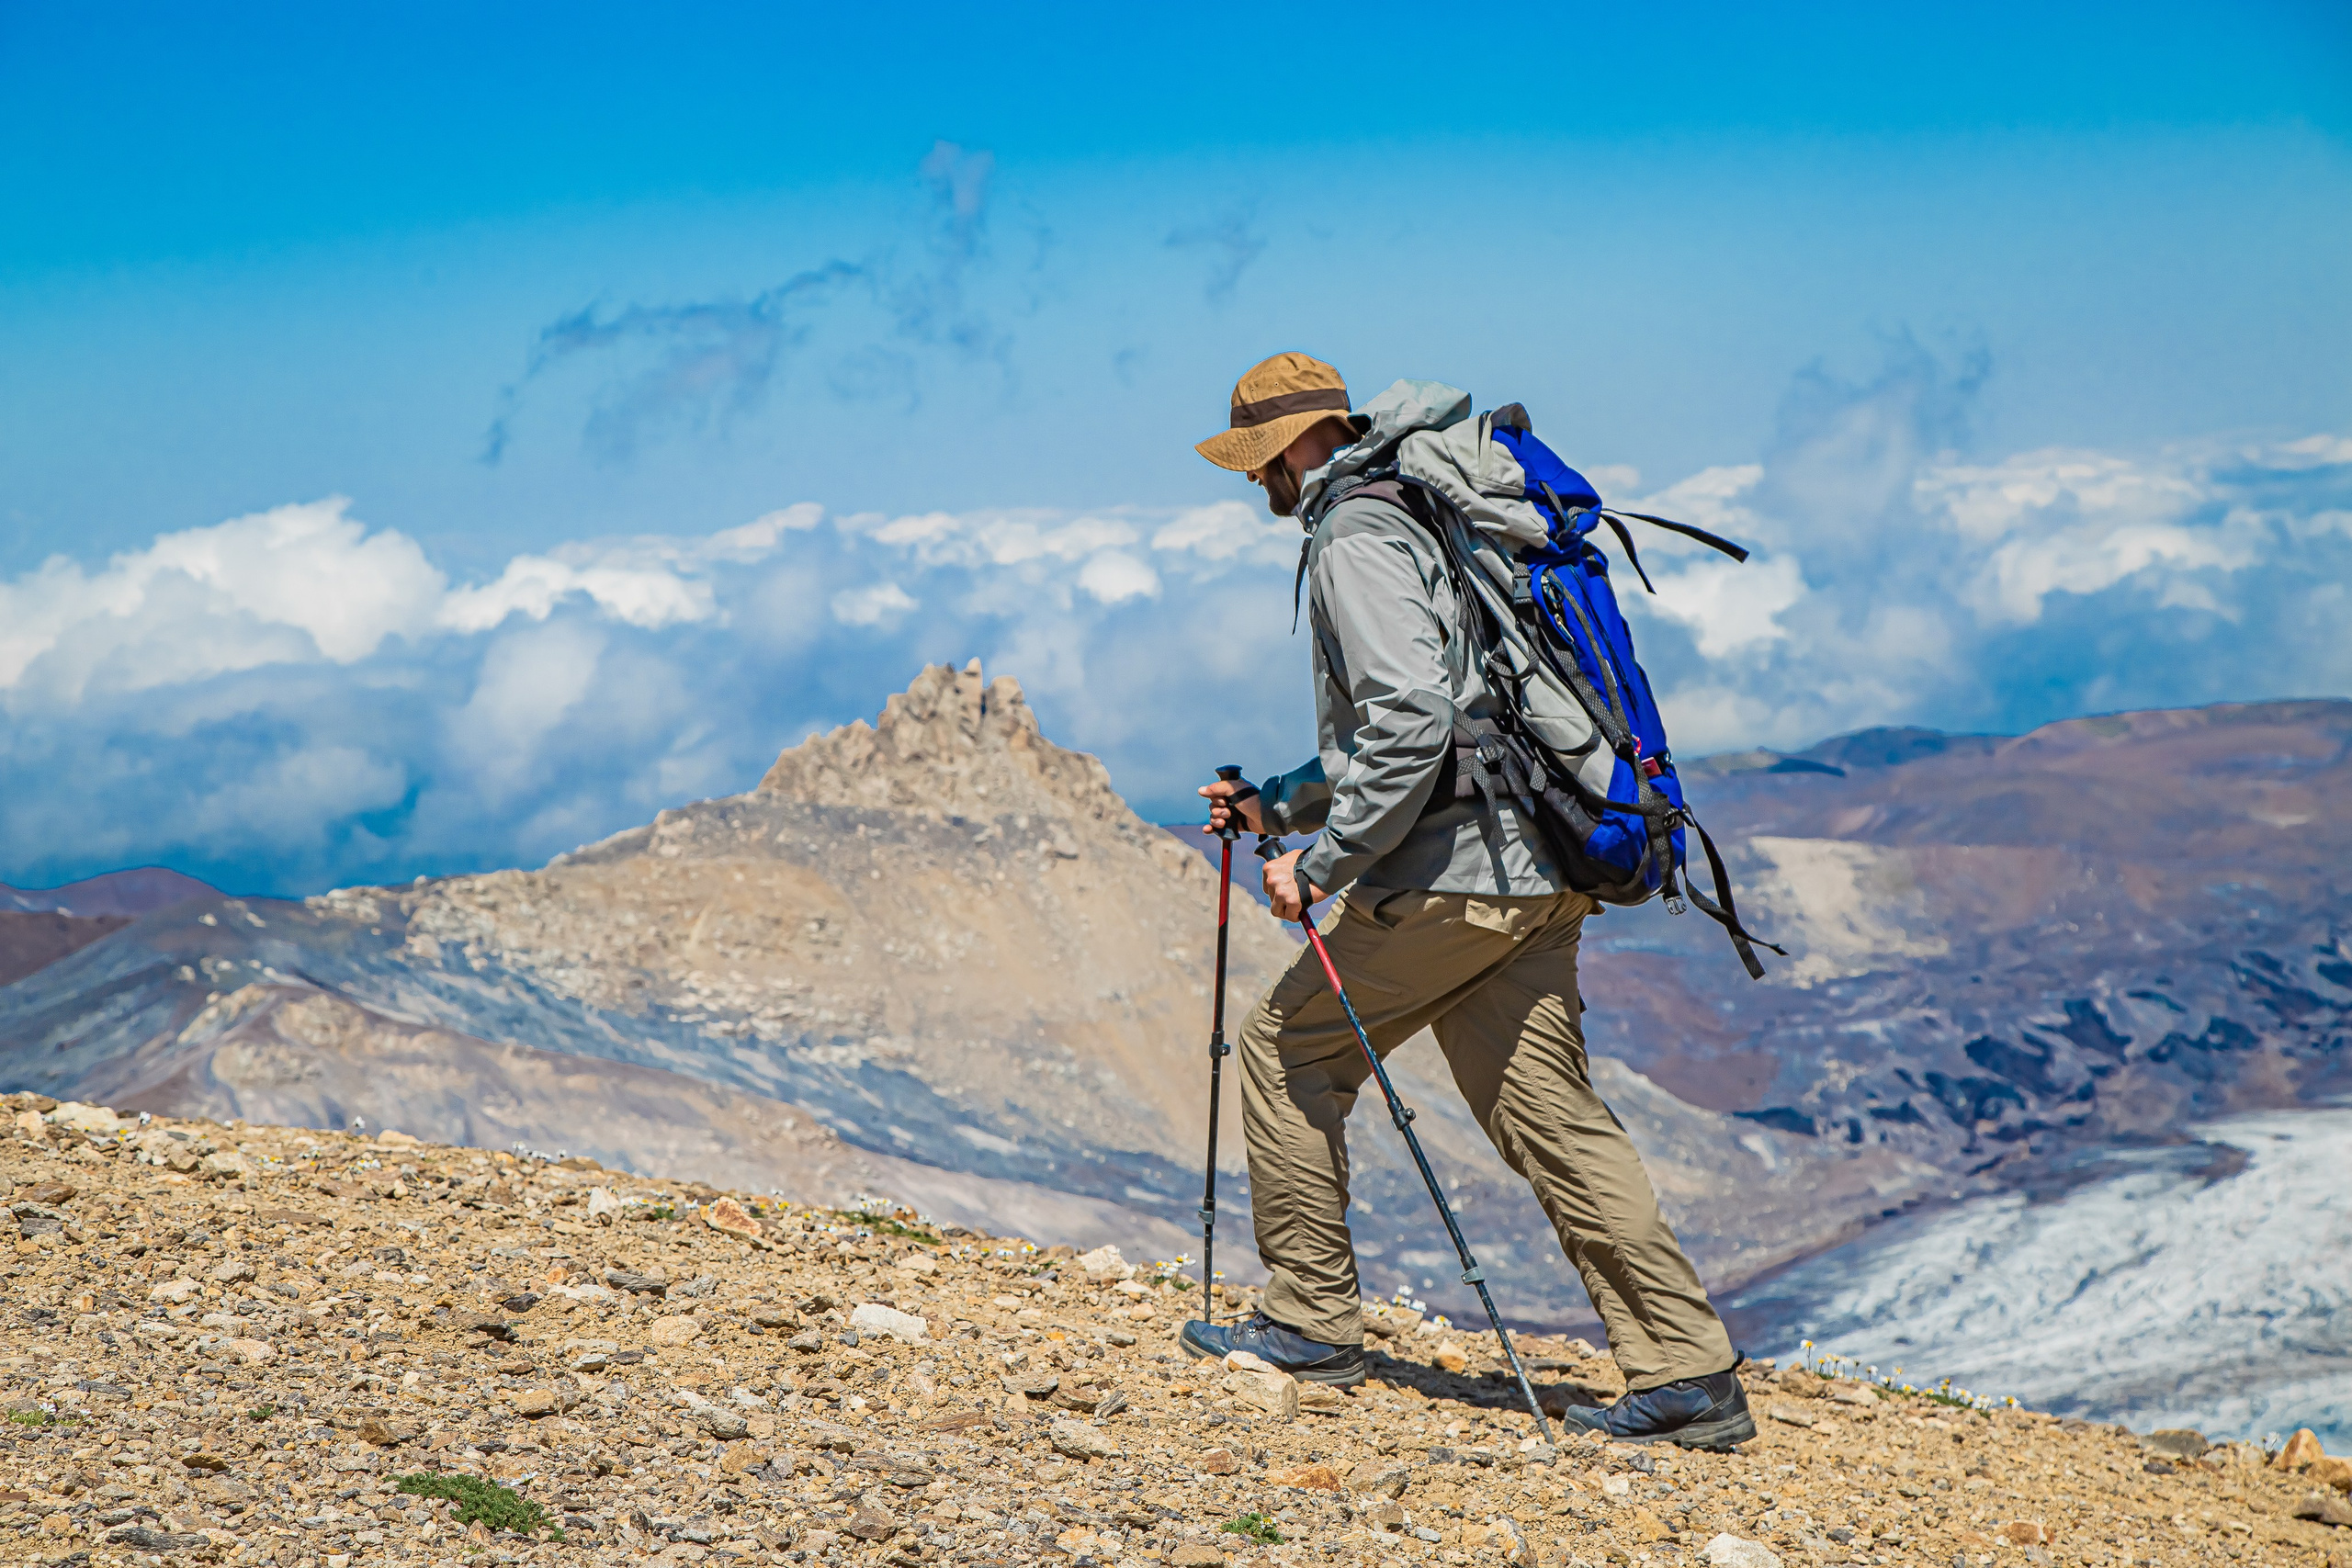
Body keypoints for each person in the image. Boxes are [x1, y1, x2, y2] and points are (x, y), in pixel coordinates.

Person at [1180, 351, 1756, 1449]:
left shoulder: (1355, 532)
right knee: (1551, 1115)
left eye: (1257, 459)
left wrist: (1323, 861)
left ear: (1296, 443)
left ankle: (1309, 1320)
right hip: (1539, 870)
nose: (1256, 483)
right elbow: (1445, 722)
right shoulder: (1435, 510)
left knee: (1286, 1053)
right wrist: (1280, 808)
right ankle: (1687, 1371)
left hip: (1449, 883)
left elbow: (1408, 723)